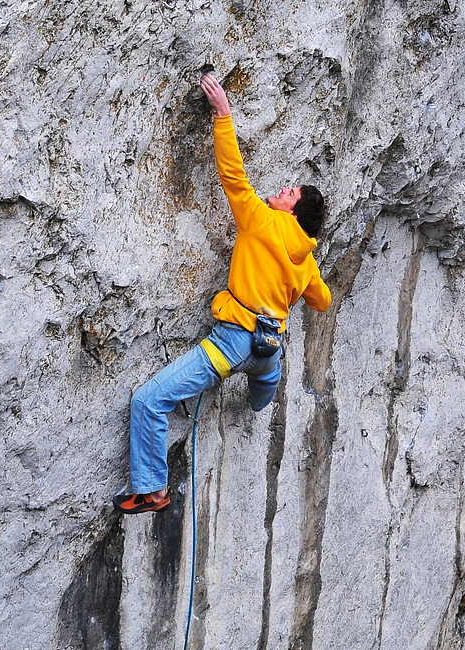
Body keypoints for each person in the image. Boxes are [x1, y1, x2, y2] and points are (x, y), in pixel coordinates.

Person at [113, 72, 331, 514]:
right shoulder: (306, 260)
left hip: (231, 344)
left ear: (293, 210)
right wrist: (298, 286)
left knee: (150, 400)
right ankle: (259, 397)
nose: (283, 190)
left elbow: (233, 175)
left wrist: (224, 115)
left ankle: (153, 491)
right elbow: (322, 300)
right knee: (260, 391)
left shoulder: (262, 221)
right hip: (268, 350)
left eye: (290, 192)